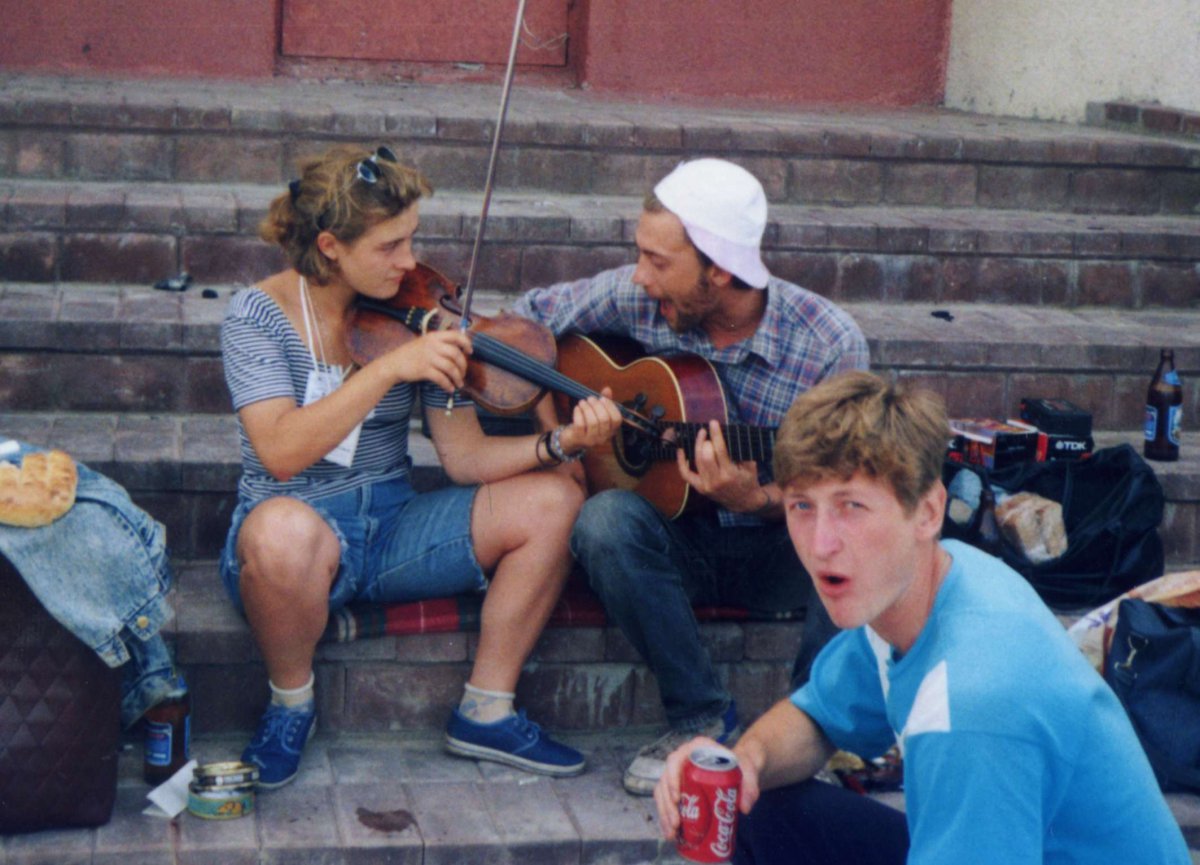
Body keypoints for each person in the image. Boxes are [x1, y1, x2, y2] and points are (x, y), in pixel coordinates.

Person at [654, 370, 1191, 864]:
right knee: (760, 812)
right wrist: (744, 765)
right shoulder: (924, 584)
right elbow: (818, 716)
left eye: (852, 507)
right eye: (802, 506)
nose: (821, 544)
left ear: (928, 511)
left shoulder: (974, 699)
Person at [218, 144, 621, 788]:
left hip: (393, 527)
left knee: (554, 501)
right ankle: (291, 702)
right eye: (389, 247)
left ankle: (486, 709)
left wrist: (558, 446)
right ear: (329, 246)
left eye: (412, 239)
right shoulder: (257, 317)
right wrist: (386, 372)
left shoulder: (415, 313)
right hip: (294, 535)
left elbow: (464, 458)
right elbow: (281, 452)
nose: (409, 262)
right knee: (278, 532)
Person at [511, 158, 870, 795]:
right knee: (603, 521)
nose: (641, 277)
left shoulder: (828, 344)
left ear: (720, 269)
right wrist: (564, 440)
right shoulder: (635, 295)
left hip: (779, 548)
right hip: (676, 540)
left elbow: (850, 489)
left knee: (854, 539)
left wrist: (758, 498)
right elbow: (521, 326)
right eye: (640, 256)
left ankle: (815, 729)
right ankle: (699, 715)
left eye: (657, 261)